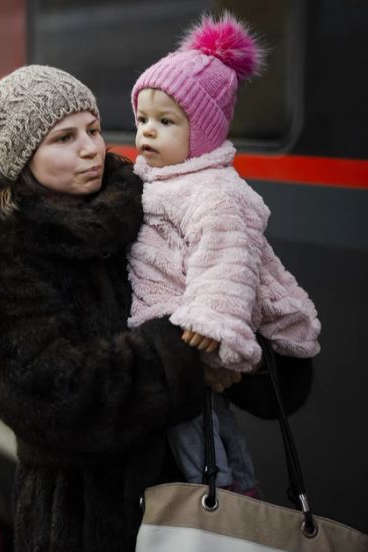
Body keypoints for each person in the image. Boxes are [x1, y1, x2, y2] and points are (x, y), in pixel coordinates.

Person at [0, 64, 314, 552]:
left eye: (93, 129)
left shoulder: (151, 205)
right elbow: (52, 395)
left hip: (190, 502)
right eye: (64, 138)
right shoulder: (1, 252)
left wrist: (248, 355)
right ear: (23, 158)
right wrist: (188, 354)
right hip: (83, 540)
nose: (91, 148)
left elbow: (247, 321)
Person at [127, 12, 321, 496]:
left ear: (203, 132)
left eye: (165, 122)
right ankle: (235, 493)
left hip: (200, 334)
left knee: (199, 446)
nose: (147, 132)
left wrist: (212, 319)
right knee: (215, 433)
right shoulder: (159, 179)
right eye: (142, 119)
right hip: (182, 343)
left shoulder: (215, 194)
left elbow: (225, 261)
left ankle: (219, 512)